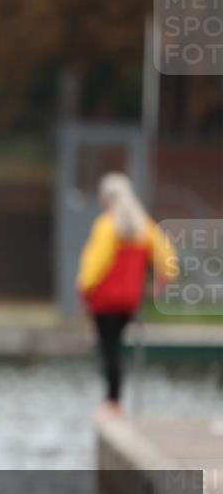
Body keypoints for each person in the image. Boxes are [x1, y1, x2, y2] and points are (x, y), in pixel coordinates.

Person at [77, 172, 176, 417]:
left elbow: (94, 265)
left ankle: (113, 401)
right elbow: (167, 257)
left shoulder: (106, 226)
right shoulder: (144, 226)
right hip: (129, 301)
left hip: (105, 300)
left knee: (108, 349)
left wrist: (83, 290)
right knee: (116, 347)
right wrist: (162, 281)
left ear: (108, 198)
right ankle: (115, 400)